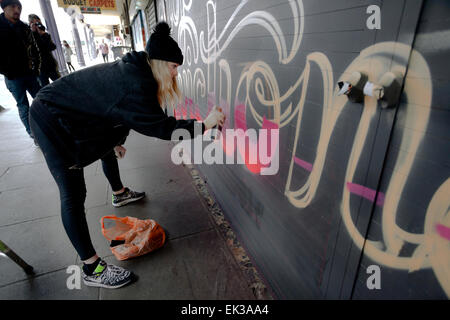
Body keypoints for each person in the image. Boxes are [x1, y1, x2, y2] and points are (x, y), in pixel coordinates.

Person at [29, 21, 225, 289]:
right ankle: (91, 268)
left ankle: (119, 193)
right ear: (158, 62)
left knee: (109, 147)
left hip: (73, 115)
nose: (175, 73)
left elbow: (117, 112)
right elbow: (162, 127)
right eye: (173, 66)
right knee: (73, 193)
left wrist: (114, 140)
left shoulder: (138, 69)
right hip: (51, 119)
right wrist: (206, 123)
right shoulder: (136, 83)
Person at [0, 0, 41, 139]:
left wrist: (36, 70)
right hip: (12, 77)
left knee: (42, 100)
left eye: (19, 7)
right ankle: (33, 134)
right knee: (23, 106)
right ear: (4, 8)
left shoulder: (24, 27)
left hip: (29, 74)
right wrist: (6, 71)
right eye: (13, 6)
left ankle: (50, 127)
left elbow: (35, 50)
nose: (17, 9)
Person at [28, 14, 60, 87]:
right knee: (46, 88)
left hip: (50, 65)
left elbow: (52, 47)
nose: (38, 25)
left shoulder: (43, 33)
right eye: (35, 23)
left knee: (60, 84)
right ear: (30, 24)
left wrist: (44, 35)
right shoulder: (28, 35)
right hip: (40, 68)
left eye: (39, 23)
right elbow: (33, 50)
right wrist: (33, 33)